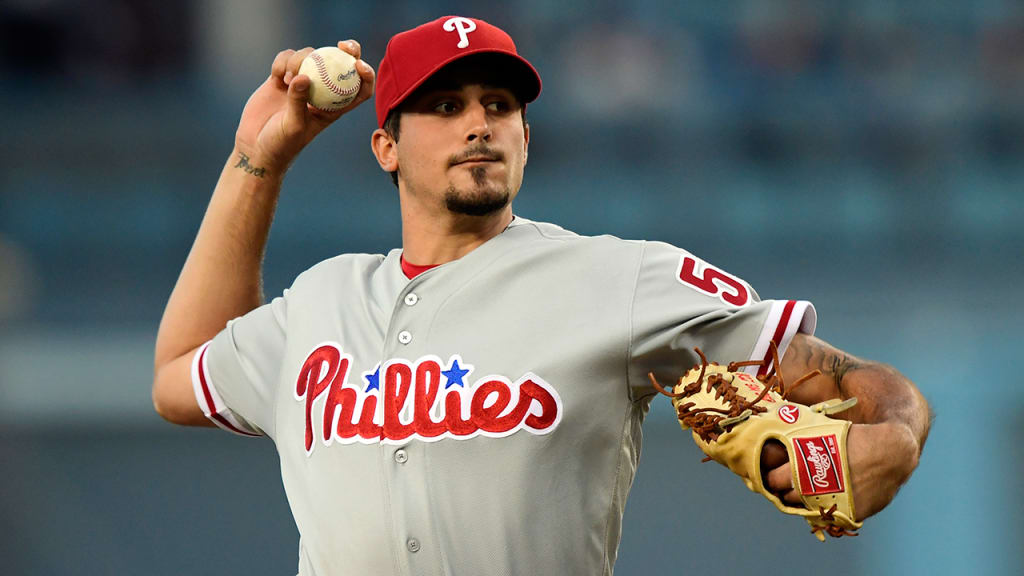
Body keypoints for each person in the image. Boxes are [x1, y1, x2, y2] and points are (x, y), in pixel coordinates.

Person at [153, 15, 931, 576]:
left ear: (528, 137)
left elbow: (841, 377)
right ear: (386, 146)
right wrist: (257, 158)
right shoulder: (321, 299)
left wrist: (892, 436)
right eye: (447, 105)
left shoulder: (617, 279)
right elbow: (180, 373)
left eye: (500, 105)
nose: (479, 123)